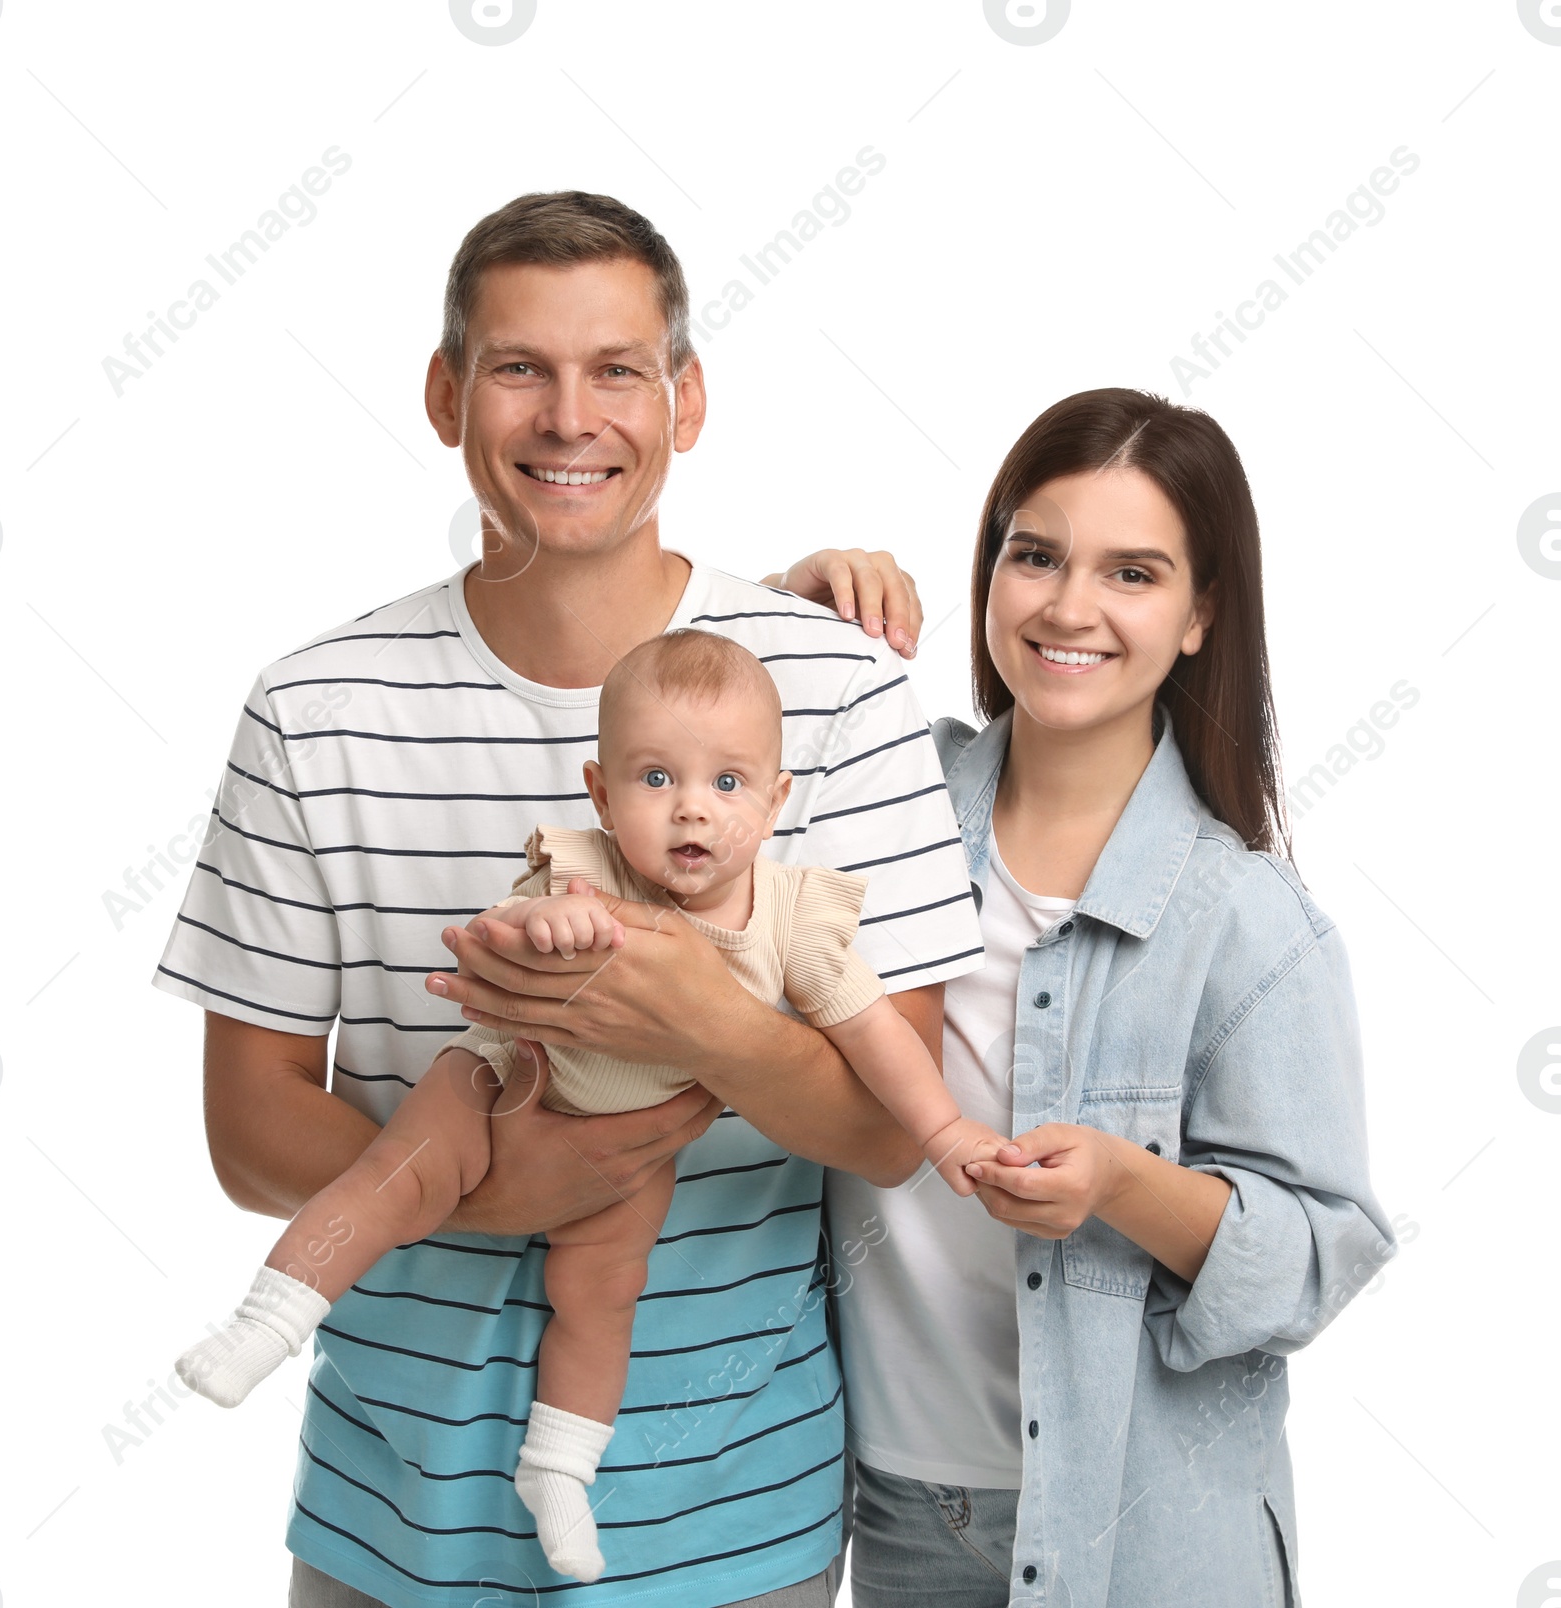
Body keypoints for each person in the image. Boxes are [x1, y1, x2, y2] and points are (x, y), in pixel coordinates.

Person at [152, 190, 983, 1608]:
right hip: (390, 1518)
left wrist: (704, 1024)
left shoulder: (836, 686)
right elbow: (247, 1130)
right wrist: (490, 1189)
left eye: (617, 370)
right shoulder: (316, 708)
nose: (568, 417)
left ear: (687, 398)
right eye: (519, 367)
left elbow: (883, 1129)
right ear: (446, 393)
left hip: (738, 1517)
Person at [171, 629, 1003, 1585]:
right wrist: (543, 922)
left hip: (634, 1154)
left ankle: (559, 1467)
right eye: (655, 780)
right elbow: (503, 933)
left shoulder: (790, 917)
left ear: (777, 803)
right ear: (601, 794)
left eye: (728, 784)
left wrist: (944, 1130)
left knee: (602, 1298)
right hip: (497, 1085)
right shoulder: (586, 874)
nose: (692, 807)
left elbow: (871, 1030)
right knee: (394, 1178)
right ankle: (271, 1320)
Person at [798, 389, 1396, 1606]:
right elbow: (675, 775)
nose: (1069, 607)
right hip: (897, 1514)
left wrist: (1123, 1185)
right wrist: (782, 623)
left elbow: (1321, 1256)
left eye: (1132, 573)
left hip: (1145, 1537)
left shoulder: (1246, 919)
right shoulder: (883, 808)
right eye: (1036, 556)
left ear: (1198, 616)